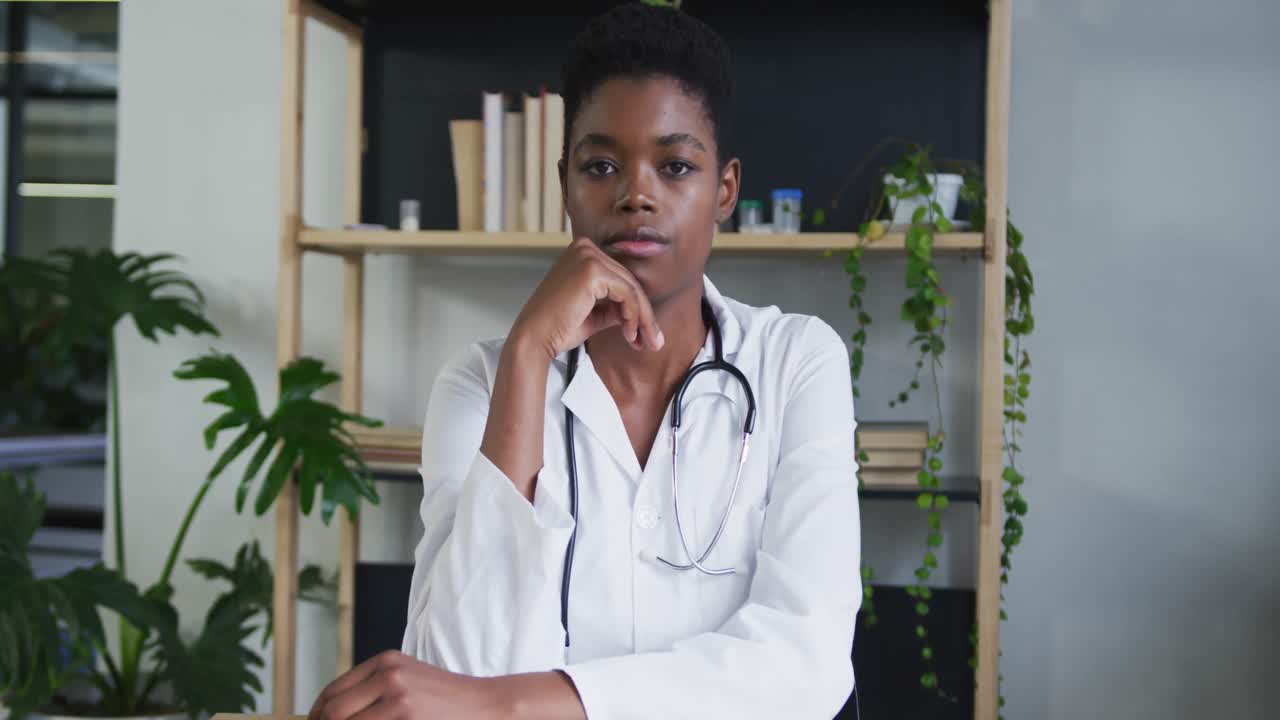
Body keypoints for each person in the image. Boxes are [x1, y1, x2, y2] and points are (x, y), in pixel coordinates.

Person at [308, 3, 860, 719]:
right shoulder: (482, 382)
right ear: (564, 181)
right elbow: (457, 668)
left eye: (675, 165)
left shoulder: (797, 363)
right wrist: (529, 354)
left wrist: (513, 705)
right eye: (601, 165)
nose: (636, 194)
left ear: (723, 190)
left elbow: (805, 665)